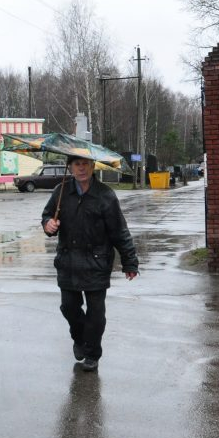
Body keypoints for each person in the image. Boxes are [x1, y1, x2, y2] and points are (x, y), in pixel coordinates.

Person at [41, 154, 139, 372]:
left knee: (96, 315)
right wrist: (48, 224)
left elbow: (119, 231)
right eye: (77, 164)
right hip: (68, 262)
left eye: (85, 164)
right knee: (68, 307)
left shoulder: (105, 195)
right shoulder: (61, 192)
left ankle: (92, 354)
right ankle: (80, 339)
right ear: (70, 167)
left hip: (97, 262)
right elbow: (47, 216)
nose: (81, 168)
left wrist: (129, 262)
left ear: (93, 166)